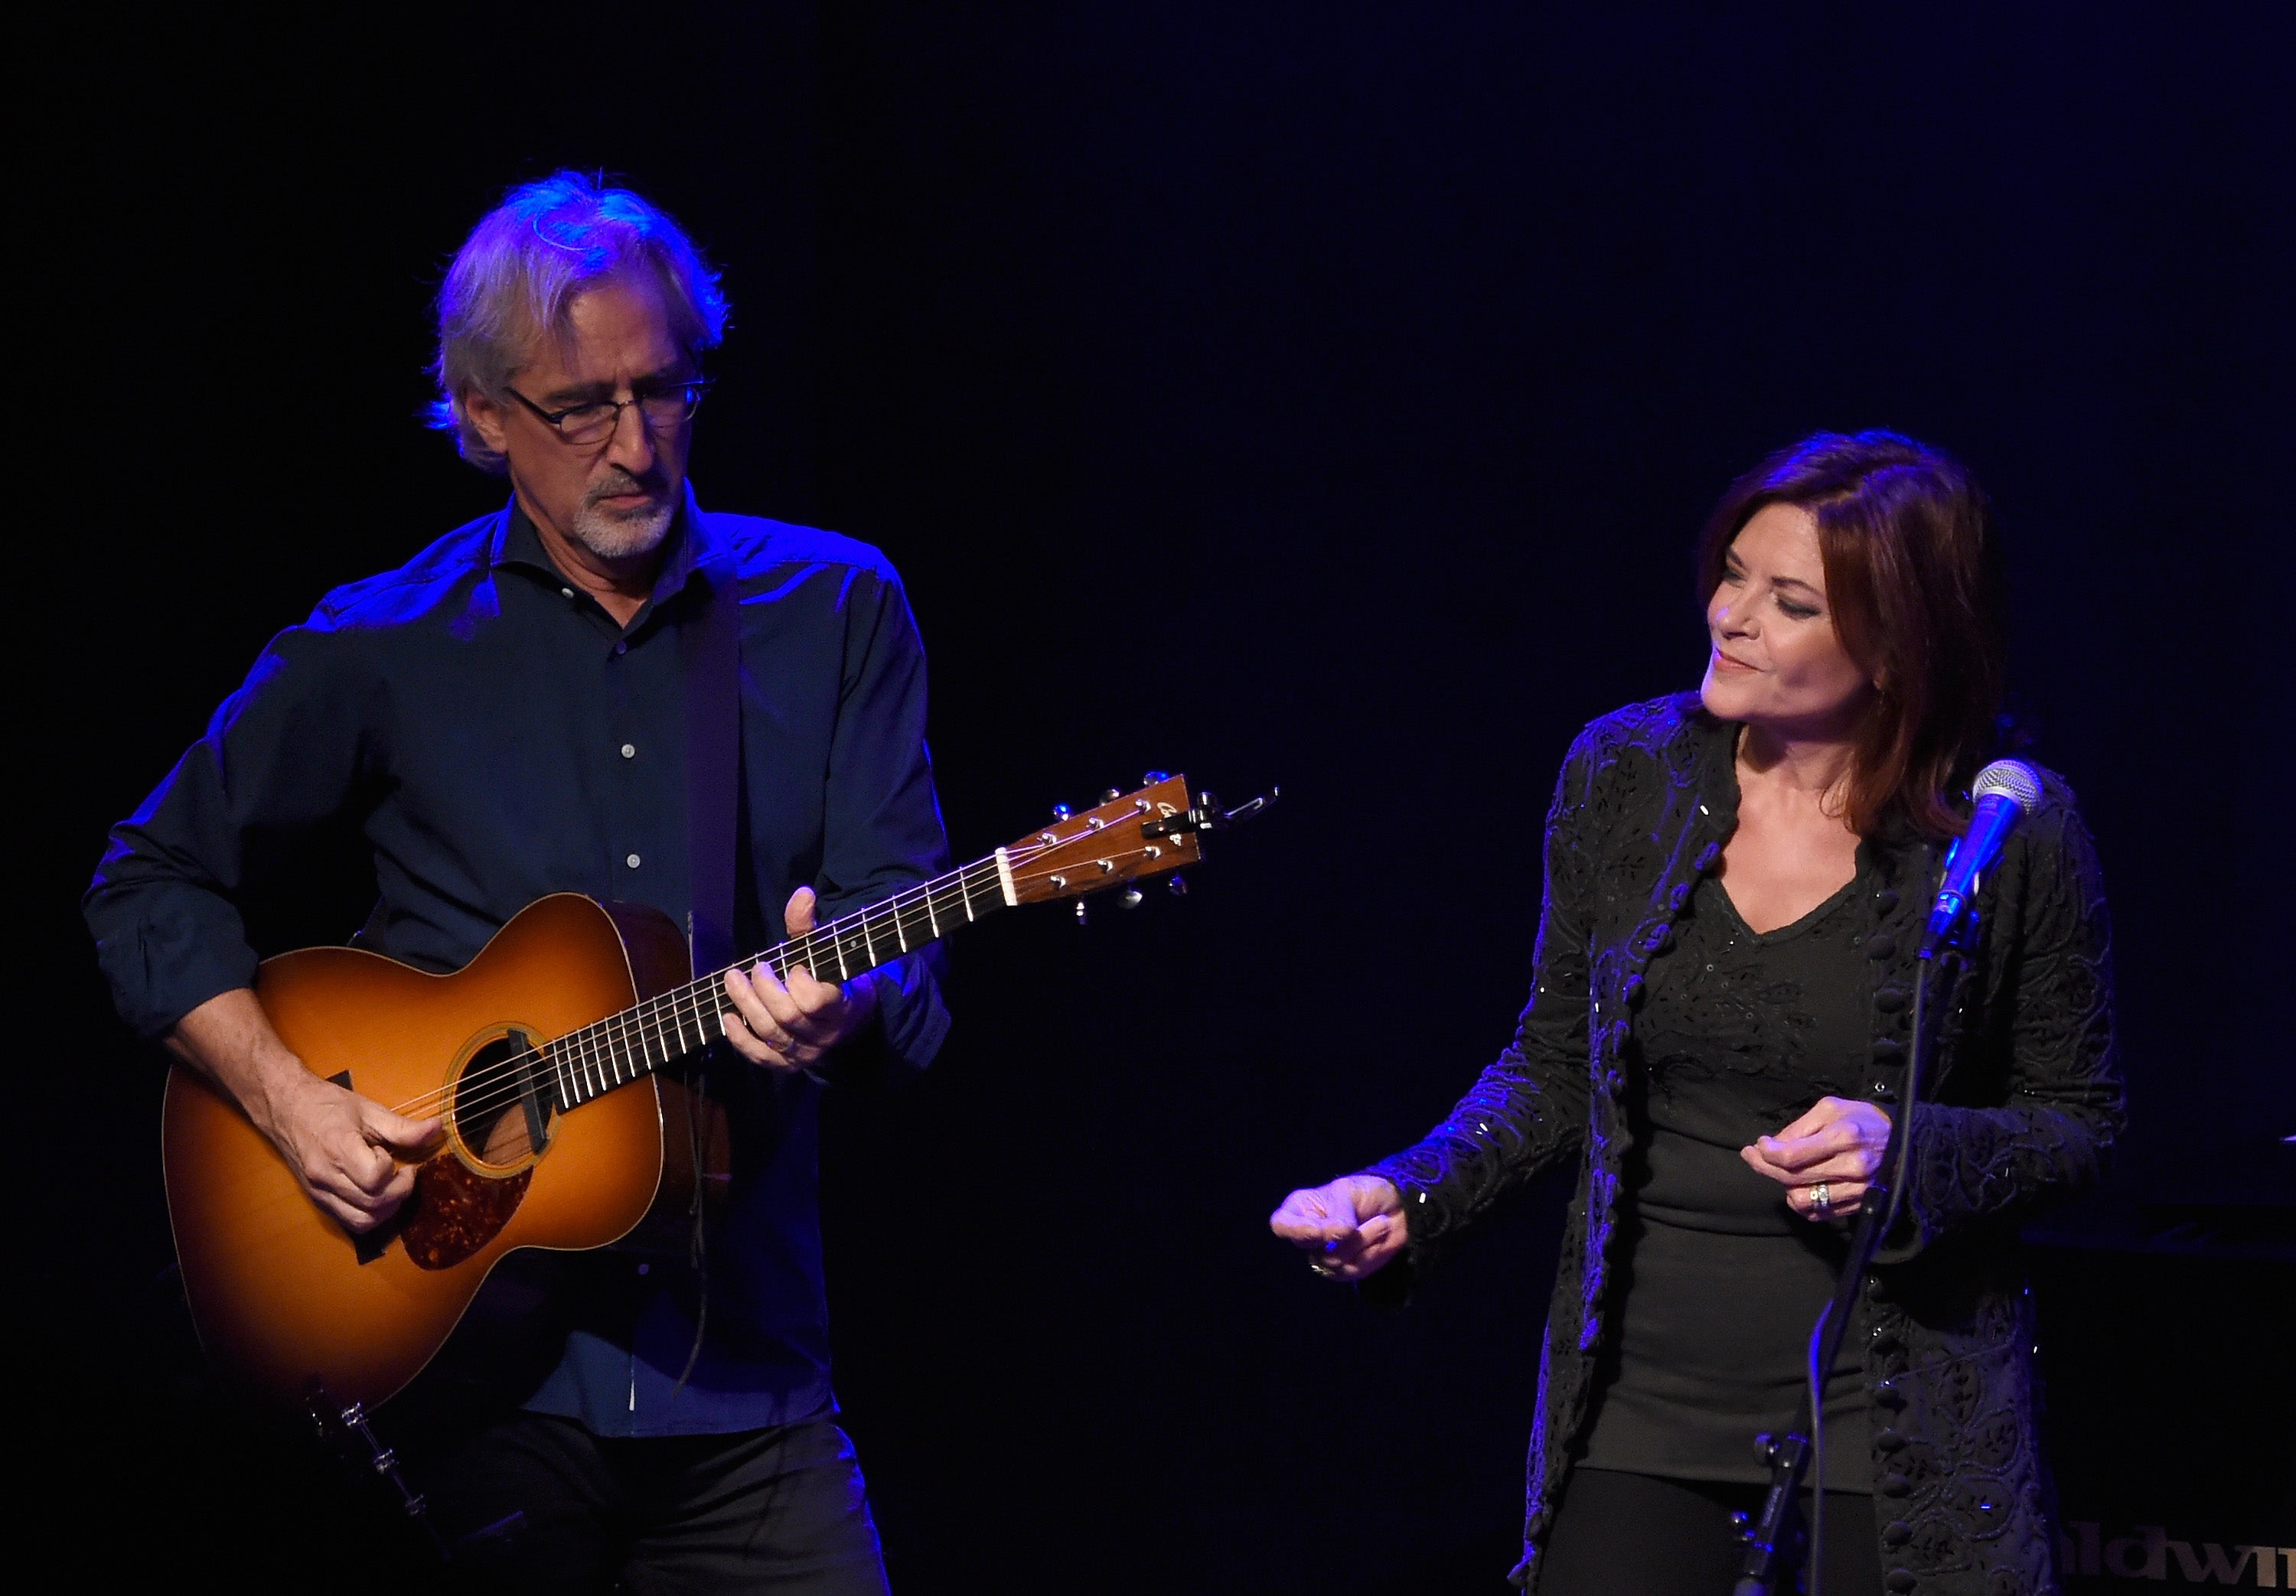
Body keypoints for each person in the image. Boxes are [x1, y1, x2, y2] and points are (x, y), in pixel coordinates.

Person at [84, 172, 950, 1594]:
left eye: (663, 391)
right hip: (468, 1389)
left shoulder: (836, 610)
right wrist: (294, 1104)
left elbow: (902, 955)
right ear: (483, 419)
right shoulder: (383, 643)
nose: (635, 445)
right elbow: (146, 879)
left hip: (744, 1378)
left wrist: (848, 1006)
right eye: (578, 408)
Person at [1271, 432, 2122, 1596]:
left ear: (1895, 643)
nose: (1732, 615)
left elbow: (2077, 1122)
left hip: (1893, 1427)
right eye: (1731, 573)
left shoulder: (2004, 828)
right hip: (1646, 1412)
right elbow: (1554, 1064)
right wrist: (1413, 1191)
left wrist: (1913, 1152)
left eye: (1788, 600)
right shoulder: (1627, 772)